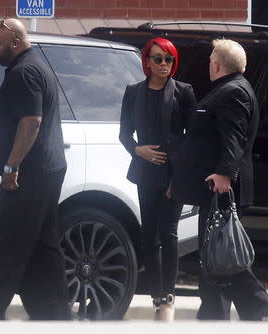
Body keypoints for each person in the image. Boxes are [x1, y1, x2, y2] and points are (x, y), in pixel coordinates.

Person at [172, 39, 268, 321]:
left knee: (219, 251)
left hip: (221, 187)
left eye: (210, 60)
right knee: (216, 253)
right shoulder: (226, 90)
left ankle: (250, 304)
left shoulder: (233, 93)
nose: (208, 65)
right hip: (213, 186)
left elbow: (234, 138)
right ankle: (222, 313)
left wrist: (225, 174)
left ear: (216, 64)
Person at [0, 18, 70, 321]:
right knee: (42, 248)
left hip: (28, 176)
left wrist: (11, 166)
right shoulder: (33, 65)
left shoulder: (25, 72)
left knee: (10, 246)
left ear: (15, 42)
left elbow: (31, 122)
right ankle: (55, 316)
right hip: (46, 170)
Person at [119, 37, 196, 321]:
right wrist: (138, 150)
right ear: (147, 62)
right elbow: (124, 134)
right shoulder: (133, 92)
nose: (164, 64)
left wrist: (180, 177)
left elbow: (192, 140)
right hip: (145, 172)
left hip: (173, 174)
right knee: (148, 235)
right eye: (158, 59)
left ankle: (169, 296)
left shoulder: (184, 92)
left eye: (169, 59)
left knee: (169, 233)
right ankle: (155, 296)